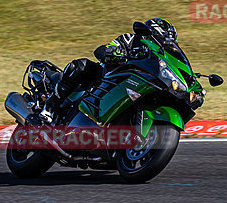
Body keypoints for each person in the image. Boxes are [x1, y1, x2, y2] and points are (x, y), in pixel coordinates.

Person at [31, 18, 178, 125]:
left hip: (130, 86)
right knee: (81, 65)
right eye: (166, 38)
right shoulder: (131, 40)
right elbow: (103, 49)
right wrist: (113, 52)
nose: (169, 42)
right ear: (155, 33)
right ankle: (50, 107)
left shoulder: (160, 58)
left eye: (171, 40)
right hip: (104, 77)